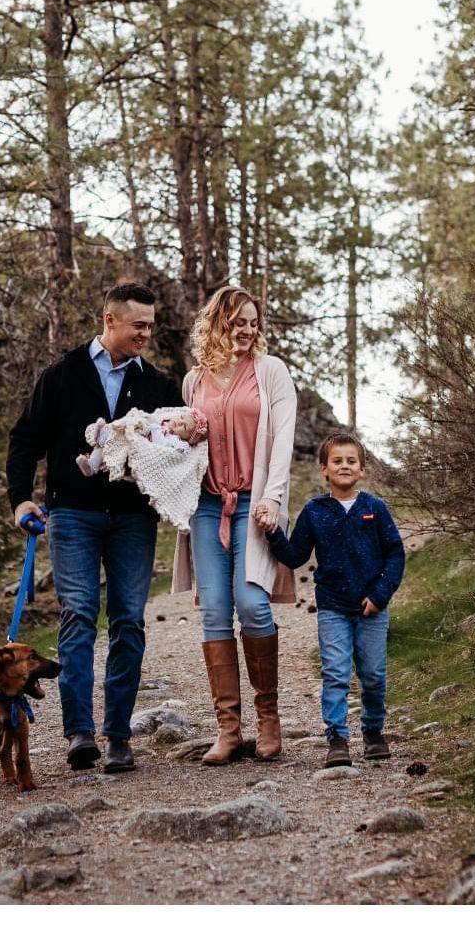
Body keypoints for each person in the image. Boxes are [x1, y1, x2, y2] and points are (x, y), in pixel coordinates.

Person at [5, 283, 183, 774]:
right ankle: (79, 732)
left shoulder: (160, 386)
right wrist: (21, 500)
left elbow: (176, 449)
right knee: (80, 613)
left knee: (128, 619)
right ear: (109, 321)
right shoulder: (63, 375)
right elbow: (25, 440)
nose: (147, 333)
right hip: (72, 515)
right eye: (138, 325)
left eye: (150, 324)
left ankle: (119, 736)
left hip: (133, 520)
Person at [169, 285, 298, 763]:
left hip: (253, 503)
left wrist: (273, 498)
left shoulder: (271, 373)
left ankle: (268, 719)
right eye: (238, 321)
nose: (247, 329)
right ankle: (229, 728)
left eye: (253, 321)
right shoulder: (193, 381)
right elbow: (187, 447)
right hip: (207, 505)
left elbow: (282, 441)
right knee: (215, 611)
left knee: (252, 603)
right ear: (217, 323)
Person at [267, 431, 405, 768]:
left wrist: (380, 595)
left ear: (362, 469)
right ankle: (338, 740)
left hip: (371, 608)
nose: (344, 466)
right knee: (336, 673)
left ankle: (373, 731)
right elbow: (295, 555)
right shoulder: (315, 511)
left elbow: (395, 555)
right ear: (324, 470)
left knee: (373, 674)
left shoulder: (375, 508)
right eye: (337, 461)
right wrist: (271, 531)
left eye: (351, 461)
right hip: (332, 608)